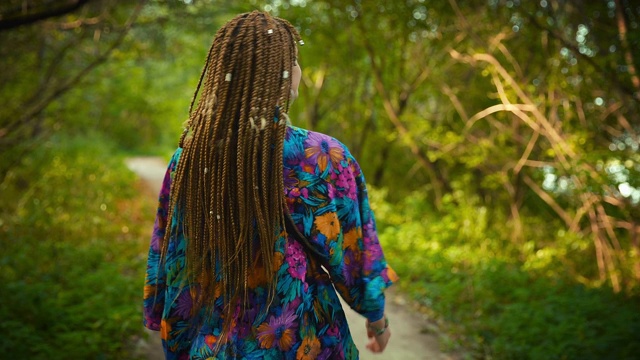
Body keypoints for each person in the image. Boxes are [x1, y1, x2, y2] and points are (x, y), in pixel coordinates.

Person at [143, 11, 398, 359]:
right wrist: (376, 318)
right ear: (285, 73)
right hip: (300, 342)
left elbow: (170, 250)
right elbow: (356, 250)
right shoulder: (321, 157)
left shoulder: (188, 157)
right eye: (295, 62)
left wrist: (164, 320)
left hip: (213, 343)